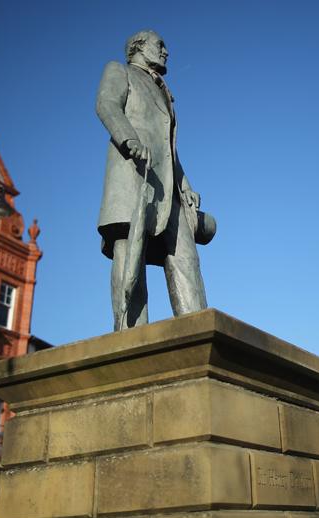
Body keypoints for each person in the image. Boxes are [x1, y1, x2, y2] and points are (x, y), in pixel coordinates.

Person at [95, 30, 213, 331]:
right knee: (129, 256)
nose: (166, 51)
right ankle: (130, 335)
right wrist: (129, 140)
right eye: (160, 45)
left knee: (185, 258)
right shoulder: (118, 70)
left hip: (168, 188)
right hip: (133, 176)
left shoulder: (163, 90)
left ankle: (196, 333)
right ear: (138, 46)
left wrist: (185, 184)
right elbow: (106, 104)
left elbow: (167, 146)